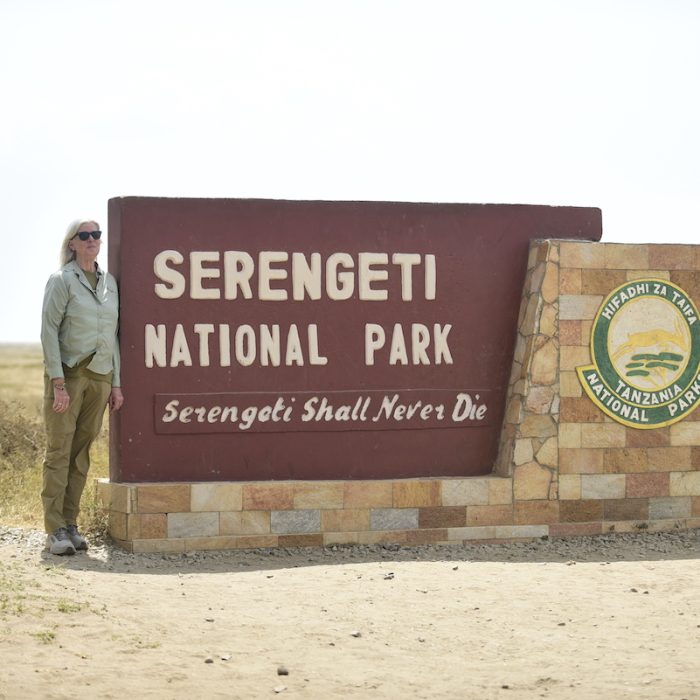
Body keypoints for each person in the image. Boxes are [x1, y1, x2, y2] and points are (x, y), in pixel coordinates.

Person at [40, 219, 124, 555]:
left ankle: (71, 524)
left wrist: (116, 385)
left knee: (81, 454)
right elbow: (49, 332)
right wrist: (57, 382)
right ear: (72, 243)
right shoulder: (62, 280)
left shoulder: (110, 283)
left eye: (97, 235)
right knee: (59, 452)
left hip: (100, 378)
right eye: (85, 235)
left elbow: (113, 335)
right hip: (70, 377)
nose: (93, 240)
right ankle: (54, 528)